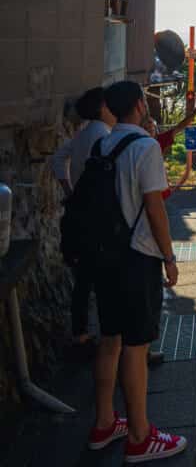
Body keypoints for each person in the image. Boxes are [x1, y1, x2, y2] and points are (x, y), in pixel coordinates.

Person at [88, 80, 186, 463]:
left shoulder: (103, 145)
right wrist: (169, 257)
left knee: (110, 337)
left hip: (104, 255)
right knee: (136, 343)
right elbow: (156, 209)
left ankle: (104, 423)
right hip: (136, 256)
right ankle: (141, 437)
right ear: (140, 105)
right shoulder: (144, 148)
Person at [51, 87, 116, 353]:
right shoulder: (104, 135)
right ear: (103, 107)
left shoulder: (83, 134)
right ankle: (111, 337)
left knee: (83, 280)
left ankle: (80, 333)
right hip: (100, 217)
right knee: (107, 281)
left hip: (80, 215)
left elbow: (57, 159)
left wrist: (69, 190)